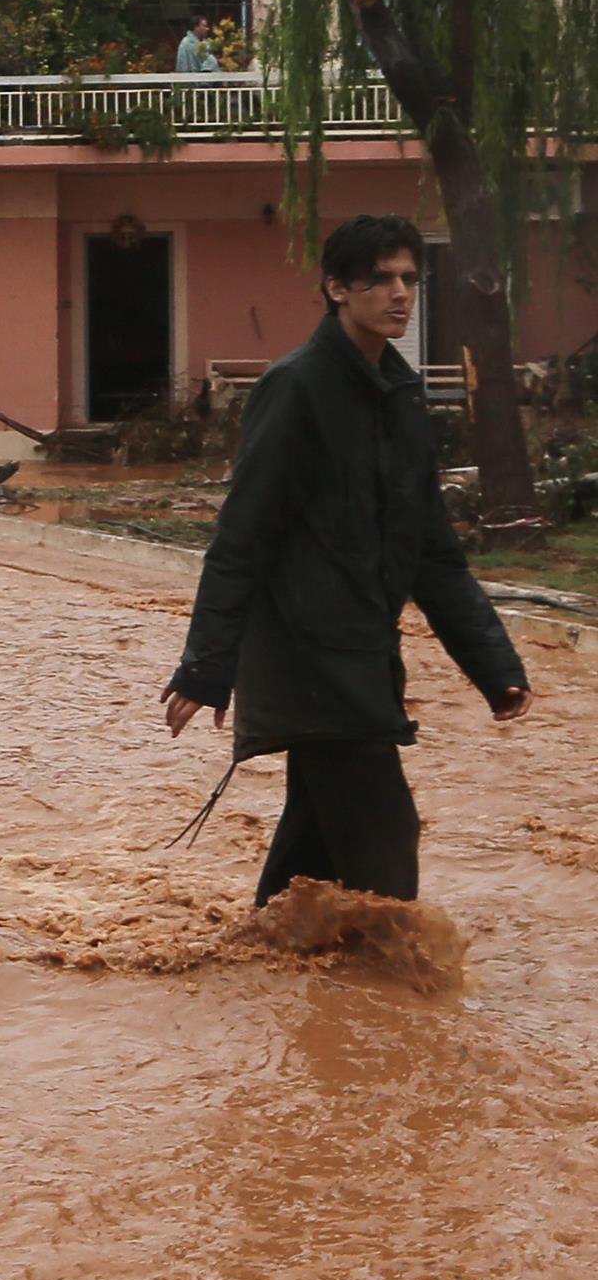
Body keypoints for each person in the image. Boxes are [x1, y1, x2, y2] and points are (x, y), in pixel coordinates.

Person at [164, 214, 532, 908]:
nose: (401, 294)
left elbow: (435, 554)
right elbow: (242, 536)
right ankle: (406, 996)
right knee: (385, 838)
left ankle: (268, 973)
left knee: (316, 857)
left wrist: (495, 667)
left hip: (363, 652)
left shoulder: (400, 394)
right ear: (336, 287)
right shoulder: (295, 387)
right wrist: (207, 667)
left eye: (410, 279)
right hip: (309, 657)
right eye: (383, 278)